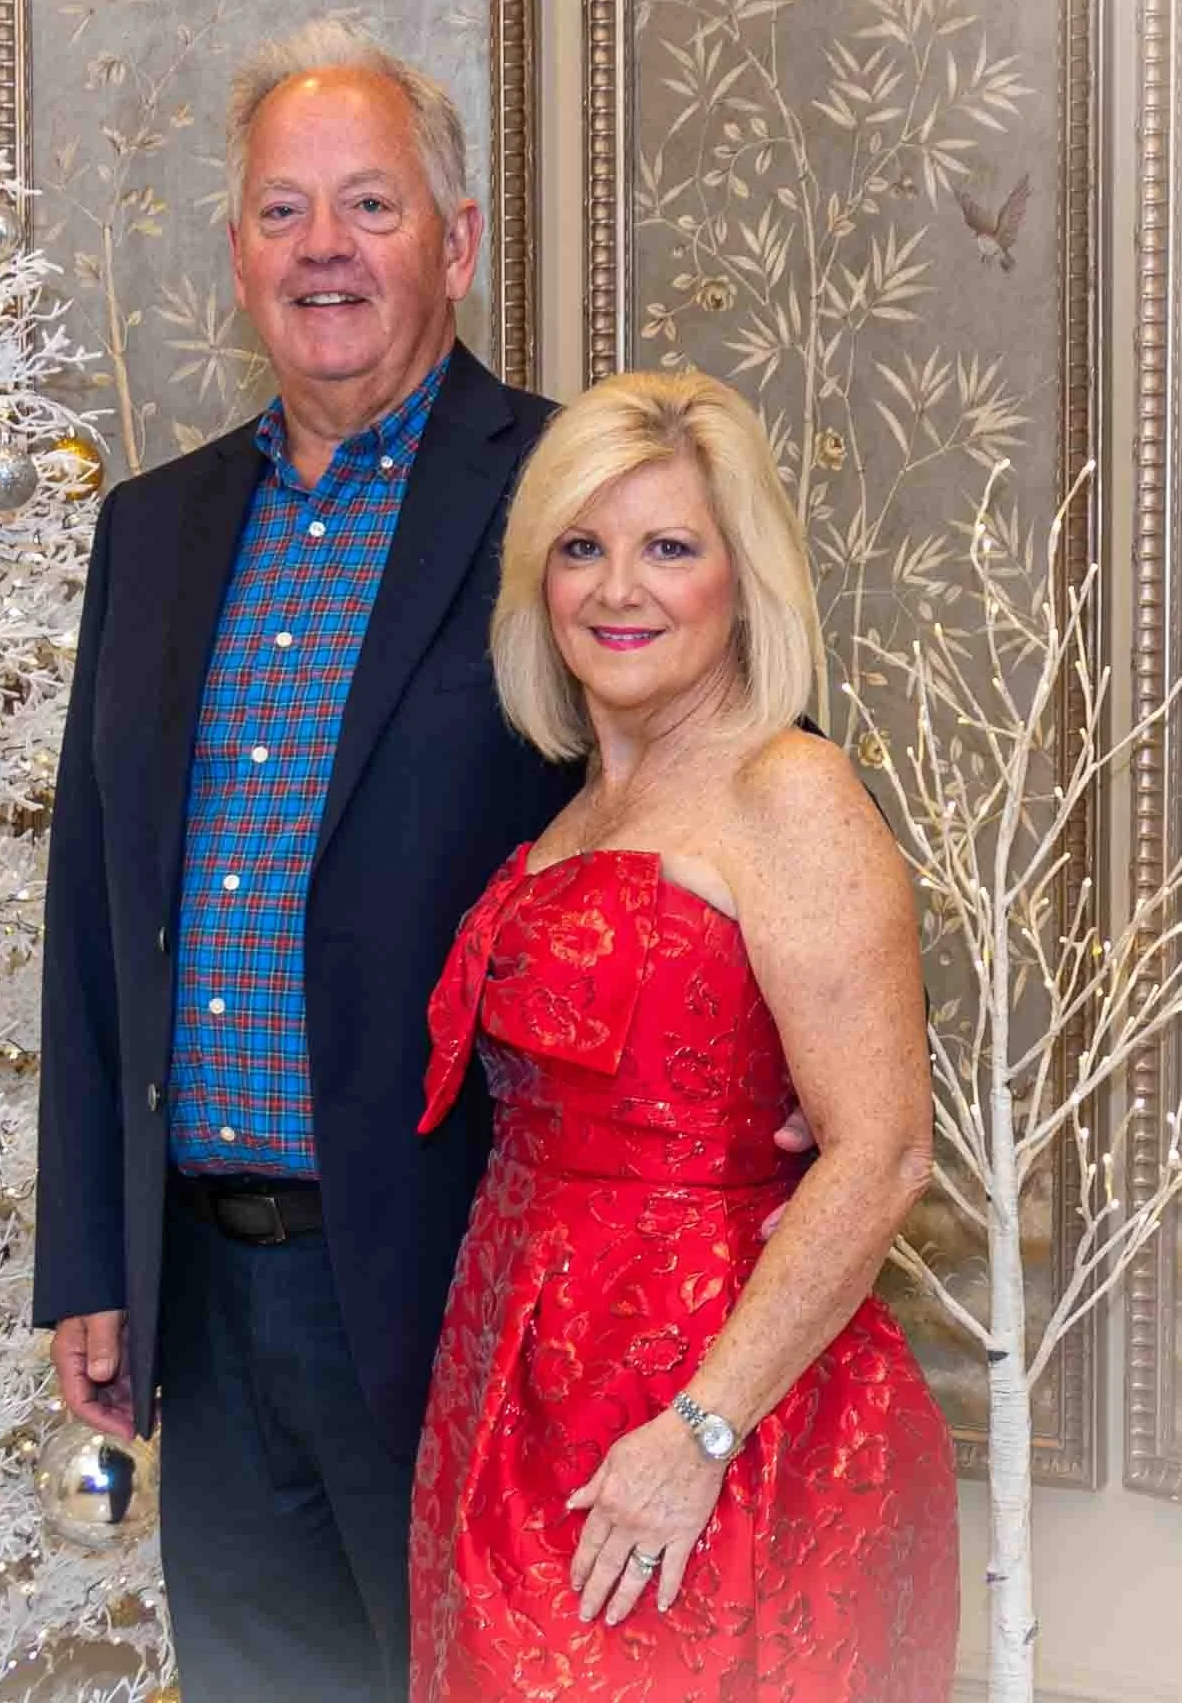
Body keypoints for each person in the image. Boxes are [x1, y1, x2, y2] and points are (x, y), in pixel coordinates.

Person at [31, 21, 589, 1703]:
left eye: (370, 205)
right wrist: (92, 1260)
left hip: (460, 1284)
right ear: (239, 255)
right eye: (284, 213)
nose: (325, 250)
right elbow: (90, 913)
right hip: (202, 1285)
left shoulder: (568, 494)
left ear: (459, 239)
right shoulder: (155, 527)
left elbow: (722, 792)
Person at [410, 369, 960, 1701]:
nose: (619, 590)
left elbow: (881, 1153)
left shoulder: (792, 792)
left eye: (670, 548)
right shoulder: (579, 809)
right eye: (582, 549)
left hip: (714, 1416)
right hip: (516, 1384)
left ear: (741, 578)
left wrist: (700, 1433)